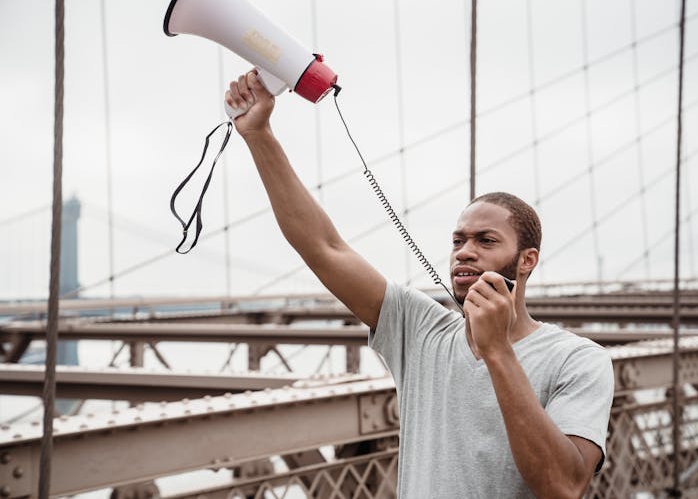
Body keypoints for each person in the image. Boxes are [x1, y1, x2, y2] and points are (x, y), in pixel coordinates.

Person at [225, 70, 614, 499]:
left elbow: (563, 485)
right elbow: (324, 247)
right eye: (458, 241)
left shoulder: (578, 361)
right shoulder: (422, 328)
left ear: (527, 261)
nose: (464, 252)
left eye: (486, 241)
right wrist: (258, 134)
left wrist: (498, 351)